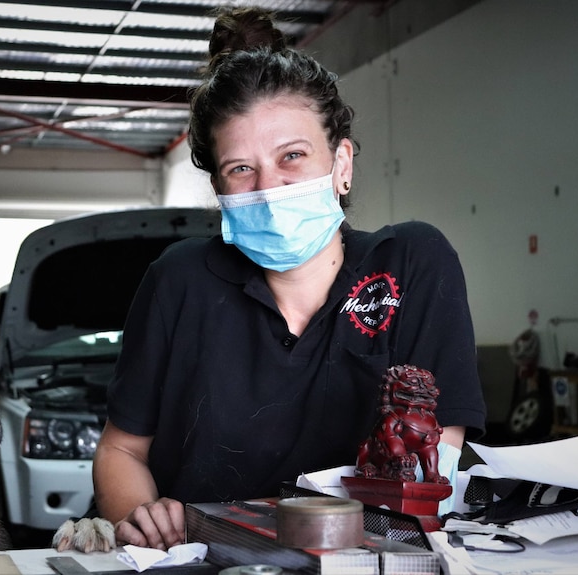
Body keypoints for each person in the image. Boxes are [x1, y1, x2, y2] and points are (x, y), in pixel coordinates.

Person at [92, 6, 486, 550]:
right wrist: (144, 518)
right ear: (220, 188)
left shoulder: (413, 263)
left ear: (341, 163)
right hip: (203, 560)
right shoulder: (177, 282)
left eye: (293, 156)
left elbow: (429, 462)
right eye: (240, 168)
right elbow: (121, 451)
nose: (269, 188)